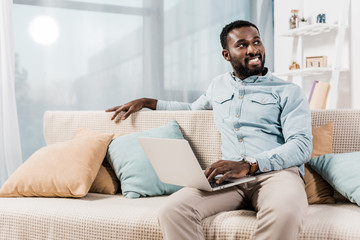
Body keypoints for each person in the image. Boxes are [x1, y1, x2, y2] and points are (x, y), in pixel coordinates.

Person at [106, 20, 312, 240]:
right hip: (231, 178)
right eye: (242, 45)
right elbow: (191, 108)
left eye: (257, 42)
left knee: (285, 214)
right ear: (226, 54)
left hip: (277, 176)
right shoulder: (218, 85)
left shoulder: (289, 91)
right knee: (173, 210)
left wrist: (250, 164)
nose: (253, 50)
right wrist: (148, 101)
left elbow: (301, 145)